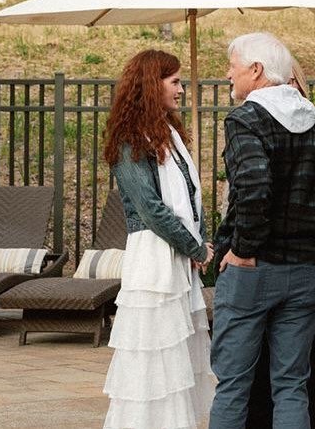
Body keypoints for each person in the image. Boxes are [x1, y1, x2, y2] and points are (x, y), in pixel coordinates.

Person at [209, 33, 315, 429]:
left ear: (256, 70)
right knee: (292, 384)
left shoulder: (245, 119)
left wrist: (243, 249)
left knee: (233, 384)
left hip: (254, 268)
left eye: (233, 65)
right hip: (308, 270)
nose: (228, 74)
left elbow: (253, 187)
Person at [102, 49, 215, 429]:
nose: (181, 90)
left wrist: (194, 242)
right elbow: (150, 208)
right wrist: (195, 246)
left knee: (176, 358)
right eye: (174, 82)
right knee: (152, 358)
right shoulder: (130, 139)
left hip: (175, 257)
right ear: (153, 85)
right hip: (152, 259)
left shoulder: (166, 133)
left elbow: (187, 198)